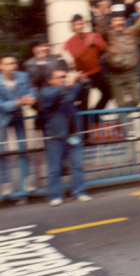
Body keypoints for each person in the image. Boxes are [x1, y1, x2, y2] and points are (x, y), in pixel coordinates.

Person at [39, 69, 91, 206]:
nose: (64, 78)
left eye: (65, 76)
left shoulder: (69, 88)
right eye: (60, 77)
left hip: (72, 133)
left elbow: (84, 89)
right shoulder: (46, 92)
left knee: (78, 165)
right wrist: (68, 84)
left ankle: (79, 192)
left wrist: (84, 80)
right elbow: (54, 97)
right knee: (54, 168)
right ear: (51, 80)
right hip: (55, 135)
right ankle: (55, 195)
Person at [0, 55, 37, 195]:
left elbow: (31, 90)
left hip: (17, 116)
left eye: (14, 63)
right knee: (1, 151)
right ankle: (5, 183)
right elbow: (1, 105)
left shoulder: (23, 76)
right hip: (2, 117)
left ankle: (26, 181)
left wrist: (32, 97)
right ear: (1, 66)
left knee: (23, 147)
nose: (12, 66)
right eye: (8, 64)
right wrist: (18, 102)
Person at [64, 14, 111, 111]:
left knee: (108, 93)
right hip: (82, 75)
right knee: (84, 102)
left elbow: (104, 47)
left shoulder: (93, 35)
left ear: (84, 24)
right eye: (76, 24)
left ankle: (95, 115)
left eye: (81, 24)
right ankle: (85, 123)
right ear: (72, 27)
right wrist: (87, 44)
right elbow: (76, 54)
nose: (79, 26)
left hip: (96, 72)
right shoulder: (69, 42)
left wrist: (94, 42)